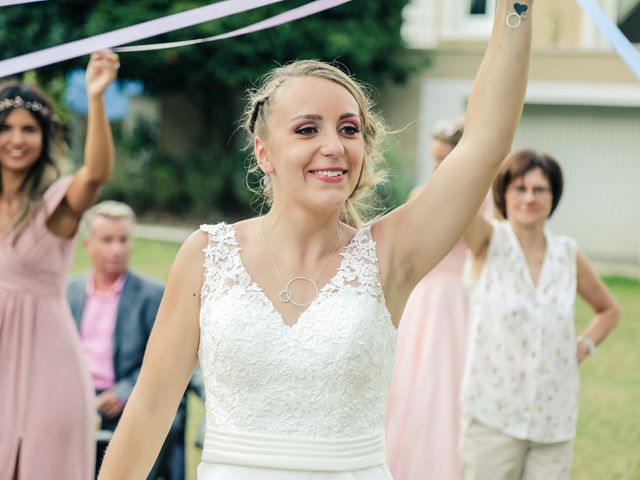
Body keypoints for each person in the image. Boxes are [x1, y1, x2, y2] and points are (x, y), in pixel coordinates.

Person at [98, 2, 535, 478]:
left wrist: (517, 6)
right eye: (308, 129)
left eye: (349, 129)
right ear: (264, 152)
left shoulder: (389, 255)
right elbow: (149, 408)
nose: (334, 145)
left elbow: (485, 142)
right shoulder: (206, 256)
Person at [460, 149, 620, 479]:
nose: (529, 198)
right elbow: (462, 201)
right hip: (494, 414)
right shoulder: (488, 241)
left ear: (553, 196)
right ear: (503, 194)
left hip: (553, 418)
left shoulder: (567, 253)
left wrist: (582, 346)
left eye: (539, 189)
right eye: (520, 188)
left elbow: (609, 310)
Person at [0, 51, 119, 479]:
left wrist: (97, 98)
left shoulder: (57, 203)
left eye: (29, 130)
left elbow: (98, 171)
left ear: (44, 137)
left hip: (46, 360)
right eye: (6, 129)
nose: (17, 140)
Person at [386, 117, 488, 480]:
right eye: (435, 158)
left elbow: (481, 248)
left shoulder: (484, 199)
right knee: (413, 387)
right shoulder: (421, 195)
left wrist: (467, 193)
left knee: (450, 388)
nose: (438, 167)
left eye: (446, 159)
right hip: (422, 301)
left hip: (459, 302)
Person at [67, 200, 187, 479]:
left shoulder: (152, 295)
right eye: (107, 240)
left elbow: (161, 362)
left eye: (123, 240)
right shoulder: (67, 292)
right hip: (75, 400)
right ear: (88, 245)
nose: (117, 249)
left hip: (127, 401)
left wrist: (123, 394)